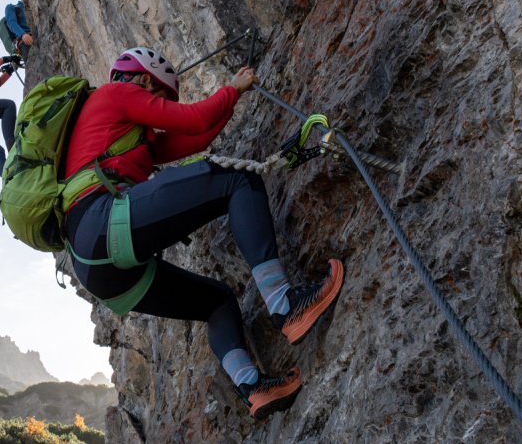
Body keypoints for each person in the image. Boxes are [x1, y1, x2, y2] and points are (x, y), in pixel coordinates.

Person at [62, 47, 345, 419]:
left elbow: (194, 139)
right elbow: (194, 119)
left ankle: (252, 387)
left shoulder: (122, 136)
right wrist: (233, 88)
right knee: (239, 181)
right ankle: (285, 305)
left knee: (217, 302)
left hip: (96, 268)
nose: (156, 108)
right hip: (101, 221)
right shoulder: (118, 93)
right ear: (146, 79)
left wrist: (231, 99)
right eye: (160, 98)